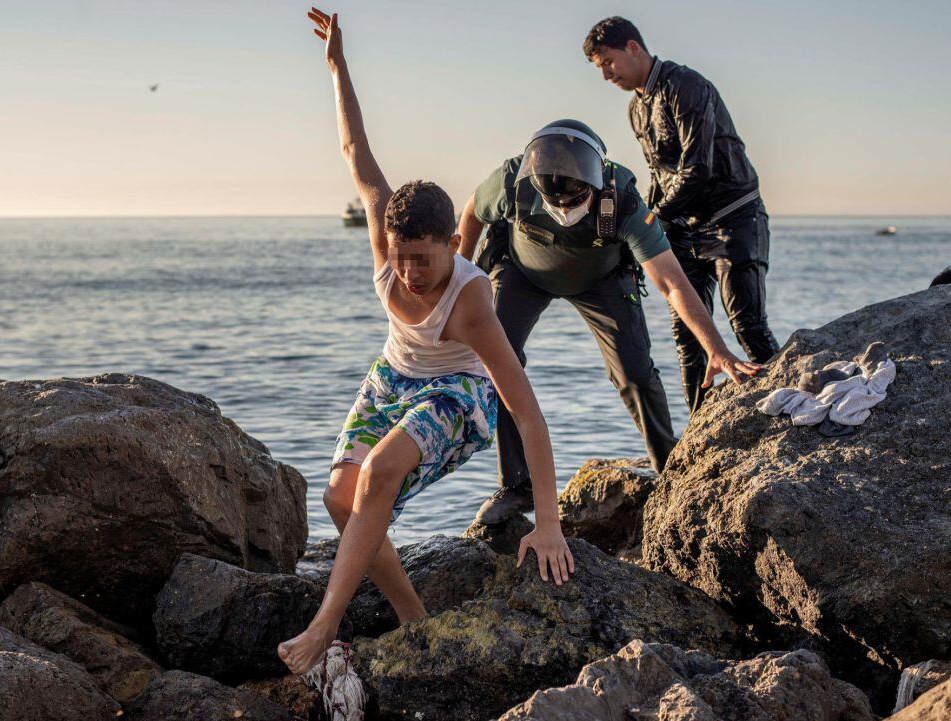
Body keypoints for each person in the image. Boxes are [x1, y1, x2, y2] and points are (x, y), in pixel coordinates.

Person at [278, 8, 574, 676]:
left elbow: (524, 409)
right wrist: (338, 67)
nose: (411, 272)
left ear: (452, 244)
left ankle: (324, 625)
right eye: (403, 258)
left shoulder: (470, 301)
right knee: (337, 498)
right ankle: (416, 620)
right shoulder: (388, 240)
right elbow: (355, 151)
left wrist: (548, 520)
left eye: (425, 259)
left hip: (460, 394)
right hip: (393, 379)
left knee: (380, 473)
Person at [460, 119, 761, 524]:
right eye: (556, 204)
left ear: (595, 182)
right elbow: (473, 212)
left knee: (634, 374)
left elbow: (671, 282)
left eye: (574, 201)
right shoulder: (514, 179)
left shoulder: (624, 201)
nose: (565, 211)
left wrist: (716, 348)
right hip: (523, 272)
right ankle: (518, 486)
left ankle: (667, 467)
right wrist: (459, 277)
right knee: (500, 362)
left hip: (601, 279)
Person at [585, 17, 780, 413]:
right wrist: (642, 221)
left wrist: (649, 220)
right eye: (598, 68)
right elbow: (659, 176)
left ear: (633, 47)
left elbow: (698, 168)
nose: (605, 74)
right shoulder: (636, 109)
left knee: (748, 326)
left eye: (608, 62)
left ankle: (789, 406)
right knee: (687, 335)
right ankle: (699, 429)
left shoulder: (686, 86)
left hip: (734, 216)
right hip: (684, 227)